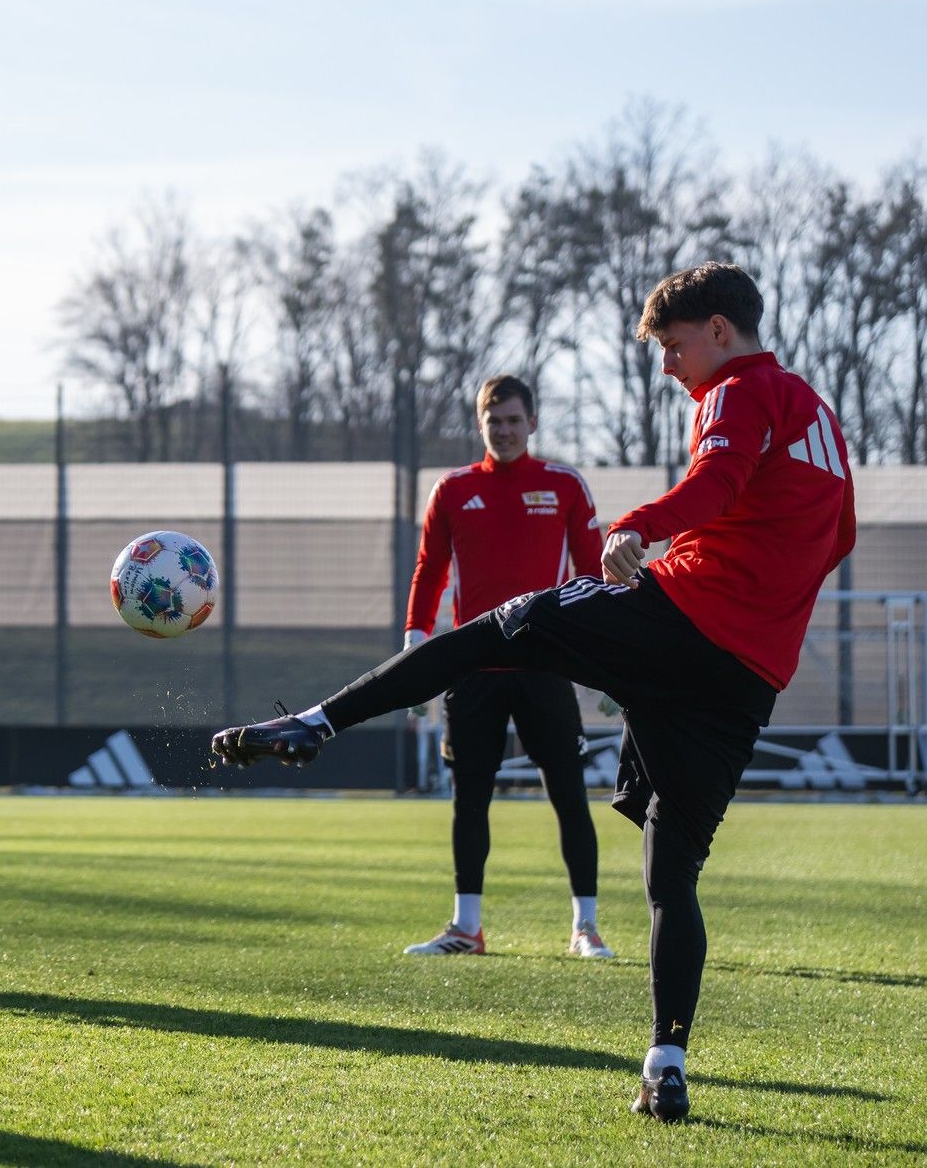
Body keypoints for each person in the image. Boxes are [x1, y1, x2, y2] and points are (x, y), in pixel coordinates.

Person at [213, 262, 854, 1124]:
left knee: (503, 624)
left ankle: (318, 721)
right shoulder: (823, 420)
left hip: (682, 619)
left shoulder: (738, 391)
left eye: (672, 346)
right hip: (746, 678)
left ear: (717, 330)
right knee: (672, 873)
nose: (668, 367)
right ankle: (666, 1062)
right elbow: (836, 538)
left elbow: (717, 484)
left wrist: (641, 526)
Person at [399, 374, 610, 961]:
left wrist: (608, 653)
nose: (506, 430)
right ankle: (466, 928)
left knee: (569, 795)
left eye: (515, 420)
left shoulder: (565, 485)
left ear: (532, 422)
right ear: (480, 424)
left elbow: (593, 571)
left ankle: (586, 927)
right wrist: (415, 648)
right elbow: (429, 569)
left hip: (545, 664)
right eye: (495, 421)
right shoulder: (453, 488)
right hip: (473, 670)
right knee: (469, 800)